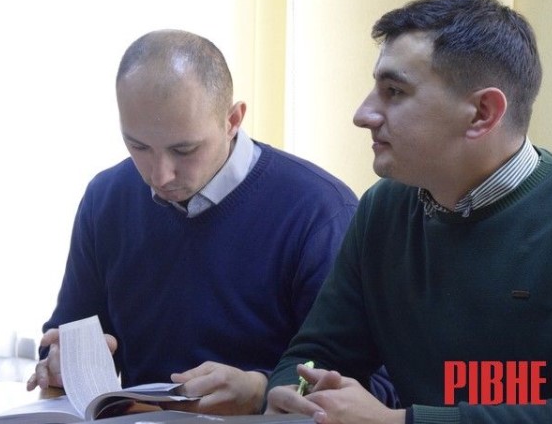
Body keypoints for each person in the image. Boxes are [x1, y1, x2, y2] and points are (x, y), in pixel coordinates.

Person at [264, 0, 552, 423]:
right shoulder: (382, 209)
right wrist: (292, 392)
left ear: (482, 113)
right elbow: (318, 354)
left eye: (394, 92)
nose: (363, 114)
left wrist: (402, 422)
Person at [26, 29, 395, 415]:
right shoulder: (106, 198)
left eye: (183, 149)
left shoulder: (319, 211)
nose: (160, 175)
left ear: (233, 120)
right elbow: (65, 336)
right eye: (138, 146)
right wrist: (63, 362)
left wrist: (262, 391)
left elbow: (377, 392)